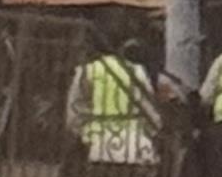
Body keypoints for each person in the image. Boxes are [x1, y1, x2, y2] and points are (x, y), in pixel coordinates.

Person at [67, 40, 160, 170]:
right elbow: (148, 106)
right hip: (134, 141)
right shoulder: (137, 71)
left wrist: (78, 132)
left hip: (96, 140)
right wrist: (155, 131)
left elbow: (74, 109)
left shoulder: (87, 71)